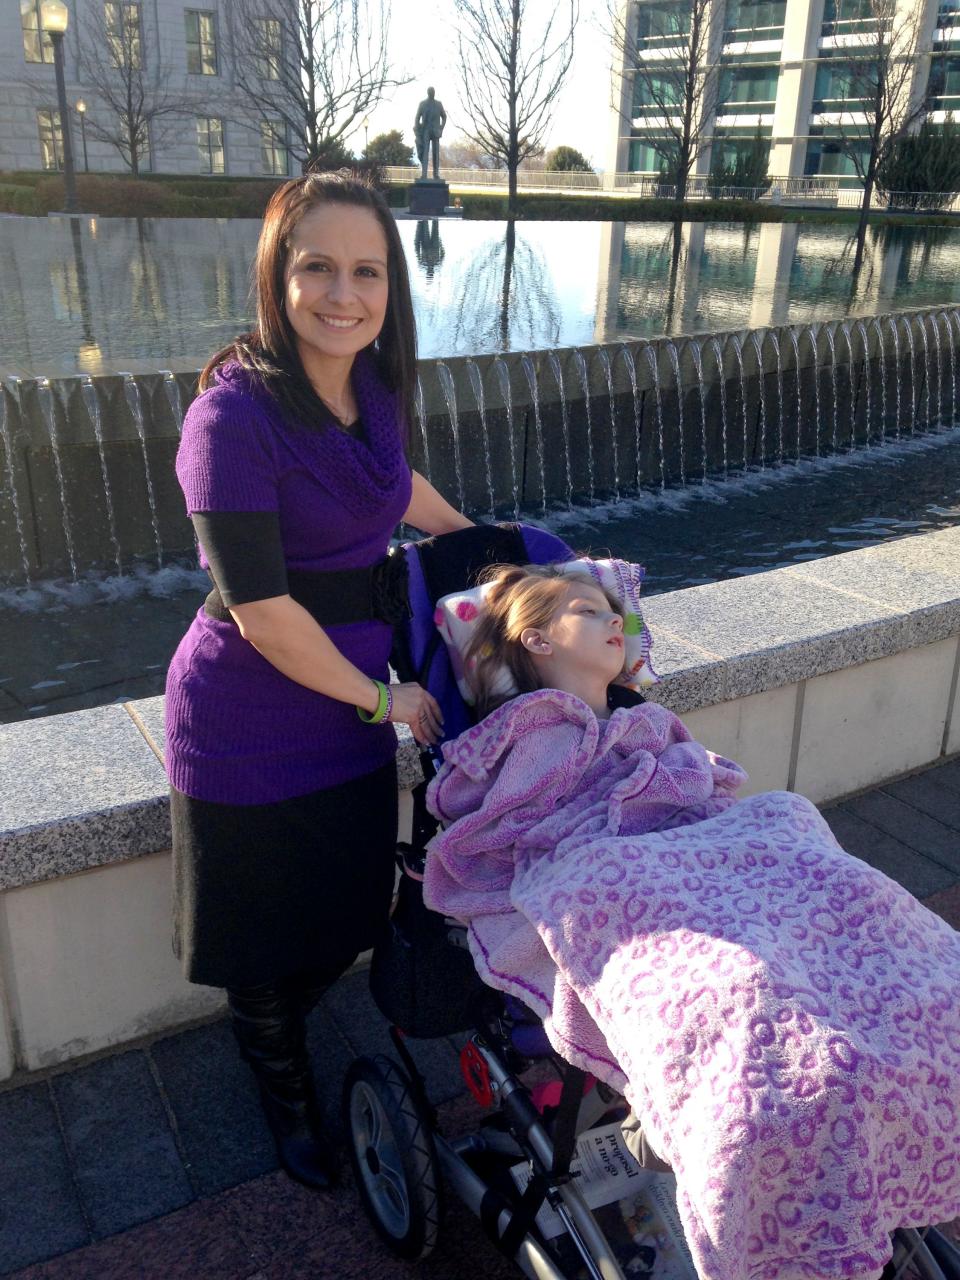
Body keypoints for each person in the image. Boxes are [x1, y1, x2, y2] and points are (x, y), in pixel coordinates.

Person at [424, 563, 960, 1280]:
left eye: (616, 612)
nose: (617, 621)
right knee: (742, 980)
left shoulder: (640, 721)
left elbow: (708, 791)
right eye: (589, 610)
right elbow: (504, 831)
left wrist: (668, 787)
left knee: (796, 831)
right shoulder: (527, 733)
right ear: (536, 640)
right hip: (618, 874)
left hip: (702, 854)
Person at [165, 172, 472, 1191]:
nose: (345, 292)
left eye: (368, 270)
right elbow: (261, 611)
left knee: (346, 907)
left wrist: (486, 544)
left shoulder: (373, 390)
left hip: (342, 695)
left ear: (392, 285)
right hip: (252, 707)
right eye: (317, 267)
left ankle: (287, 1019)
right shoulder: (230, 419)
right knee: (264, 928)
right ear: (276, 276)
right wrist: (385, 701)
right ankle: (281, 1079)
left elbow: (398, 487)